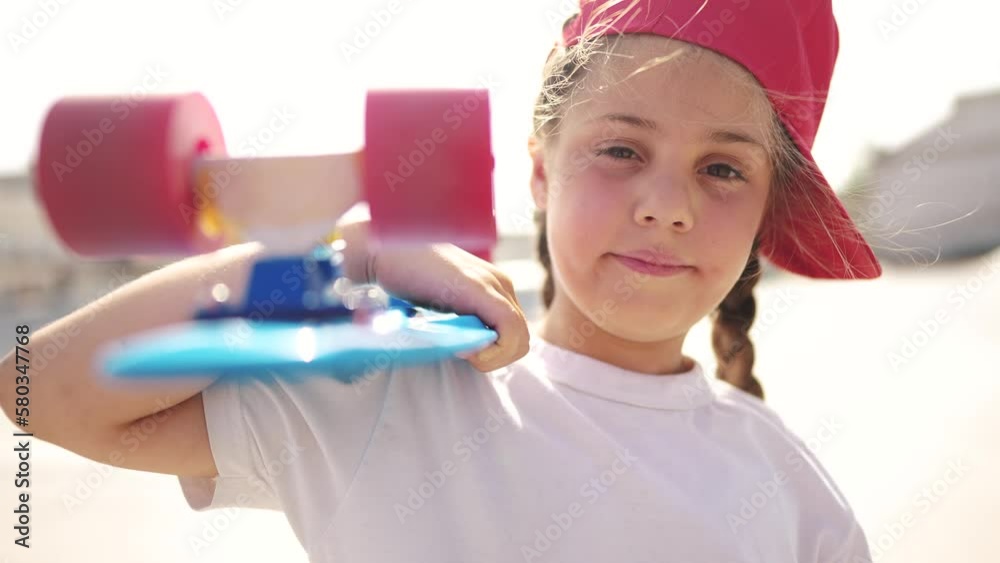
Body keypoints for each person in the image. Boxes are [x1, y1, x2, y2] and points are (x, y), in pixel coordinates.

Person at [1, 0, 881, 561]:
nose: (667, 206)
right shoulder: (386, 386)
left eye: (723, 169)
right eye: (621, 150)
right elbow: (34, 386)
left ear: (769, 209)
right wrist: (343, 262)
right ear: (539, 173)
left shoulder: (791, 490)